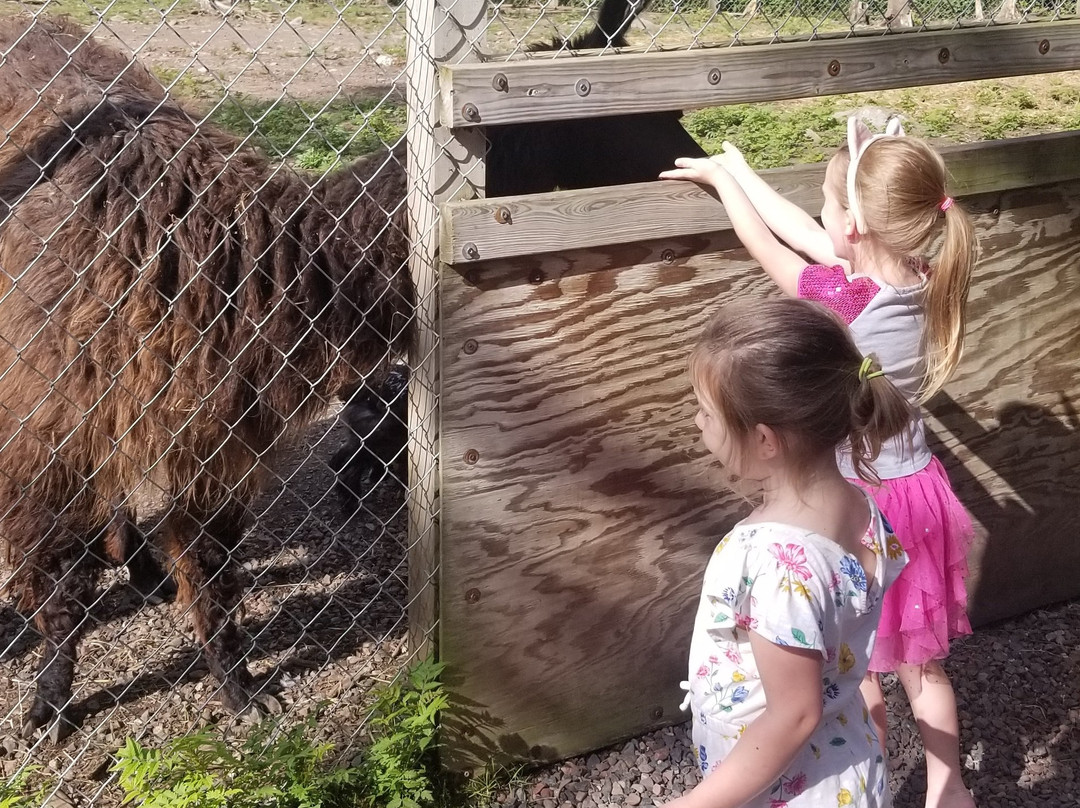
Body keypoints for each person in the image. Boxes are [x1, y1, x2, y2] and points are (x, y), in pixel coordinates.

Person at [661, 116, 978, 808]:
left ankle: (857, 773)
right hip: (920, 488)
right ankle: (949, 789)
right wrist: (741, 168)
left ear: (854, 226)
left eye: (829, 205)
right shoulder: (923, 274)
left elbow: (768, 243)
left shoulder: (840, 300)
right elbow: (811, 235)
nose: (821, 216)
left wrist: (722, 183)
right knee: (924, 668)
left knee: (855, 666)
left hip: (870, 495)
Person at [671, 297, 910, 808]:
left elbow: (794, 714)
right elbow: (842, 641)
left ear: (764, 440)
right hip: (844, 752)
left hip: (791, 786)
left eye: (705, 411)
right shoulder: (863, 511)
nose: (697, 422)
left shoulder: (776, 563)